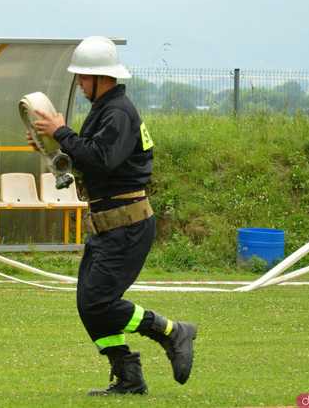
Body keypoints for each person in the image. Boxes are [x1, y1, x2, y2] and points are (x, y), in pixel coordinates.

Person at [31, 36, 197, 396]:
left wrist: (61, 132)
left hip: (127, 225)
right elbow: (91, 159)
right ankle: (128, 376)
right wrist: (55, 147)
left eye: (81, 78)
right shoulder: (105, 110)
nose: (78, 84)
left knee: (99, 302)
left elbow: (102, 159)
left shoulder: (118, 113)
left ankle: (172, 331)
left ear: (98, 77)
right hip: (110, 225)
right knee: (90, 306)